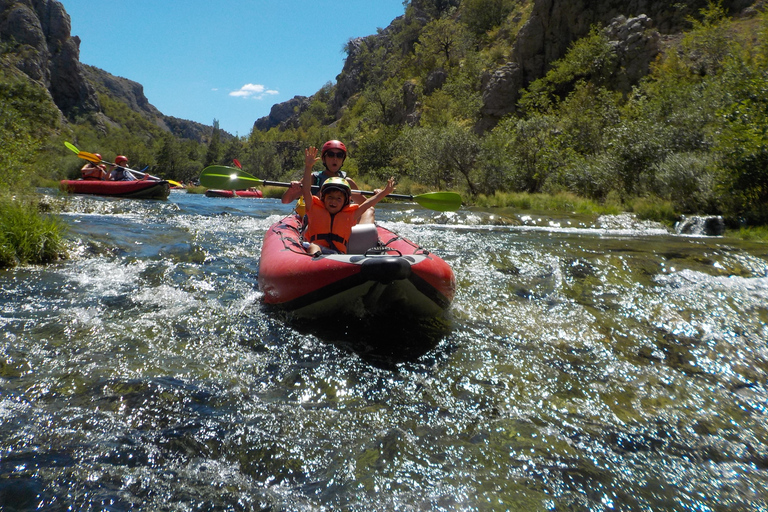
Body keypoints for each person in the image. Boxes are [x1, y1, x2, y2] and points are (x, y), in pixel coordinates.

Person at [301, 146, 395, 256]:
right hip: (317, 249)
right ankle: (315, 260)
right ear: (323, 198)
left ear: (345, 201)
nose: (333, 201)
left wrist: (384, 192)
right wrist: (308, 167)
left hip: (338, 254)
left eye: (338, 199)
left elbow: (367, 204)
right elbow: (306, 190)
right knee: (313, 246)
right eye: (330, 197)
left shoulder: (350, 215)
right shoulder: (313, 208)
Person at [282, 139, 375, 224]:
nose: (335, 158)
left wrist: (379, 194)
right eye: (331, 154)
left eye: (339, 155)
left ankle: (365, 234)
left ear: (343, 160)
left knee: (369, 210)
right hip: (316, 222)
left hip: (340, 224)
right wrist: (291, 190)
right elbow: (286, 201)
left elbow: (367, 205)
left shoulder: (348, 182)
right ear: (324, 159)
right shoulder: (313, 178)